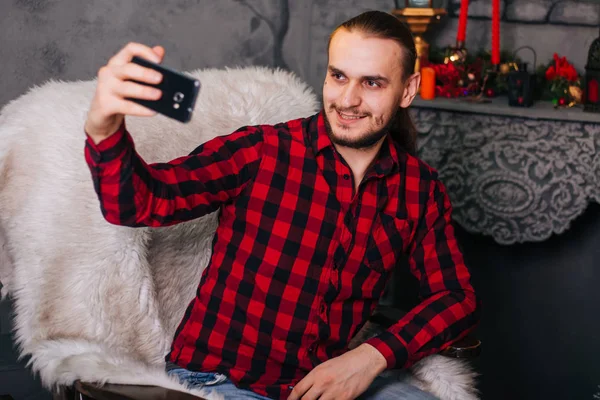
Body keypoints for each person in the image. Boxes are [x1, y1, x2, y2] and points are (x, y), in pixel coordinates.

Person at [83, 10, 479, 400]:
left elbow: (456, 299)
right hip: (220, 382)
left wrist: (370, 356)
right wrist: (103, 129)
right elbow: (141, 202)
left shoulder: (419, 189)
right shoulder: (262, 150)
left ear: (407, 90)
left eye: (372, 83)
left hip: (329, 383)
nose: (348, 99)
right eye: (338, 76)